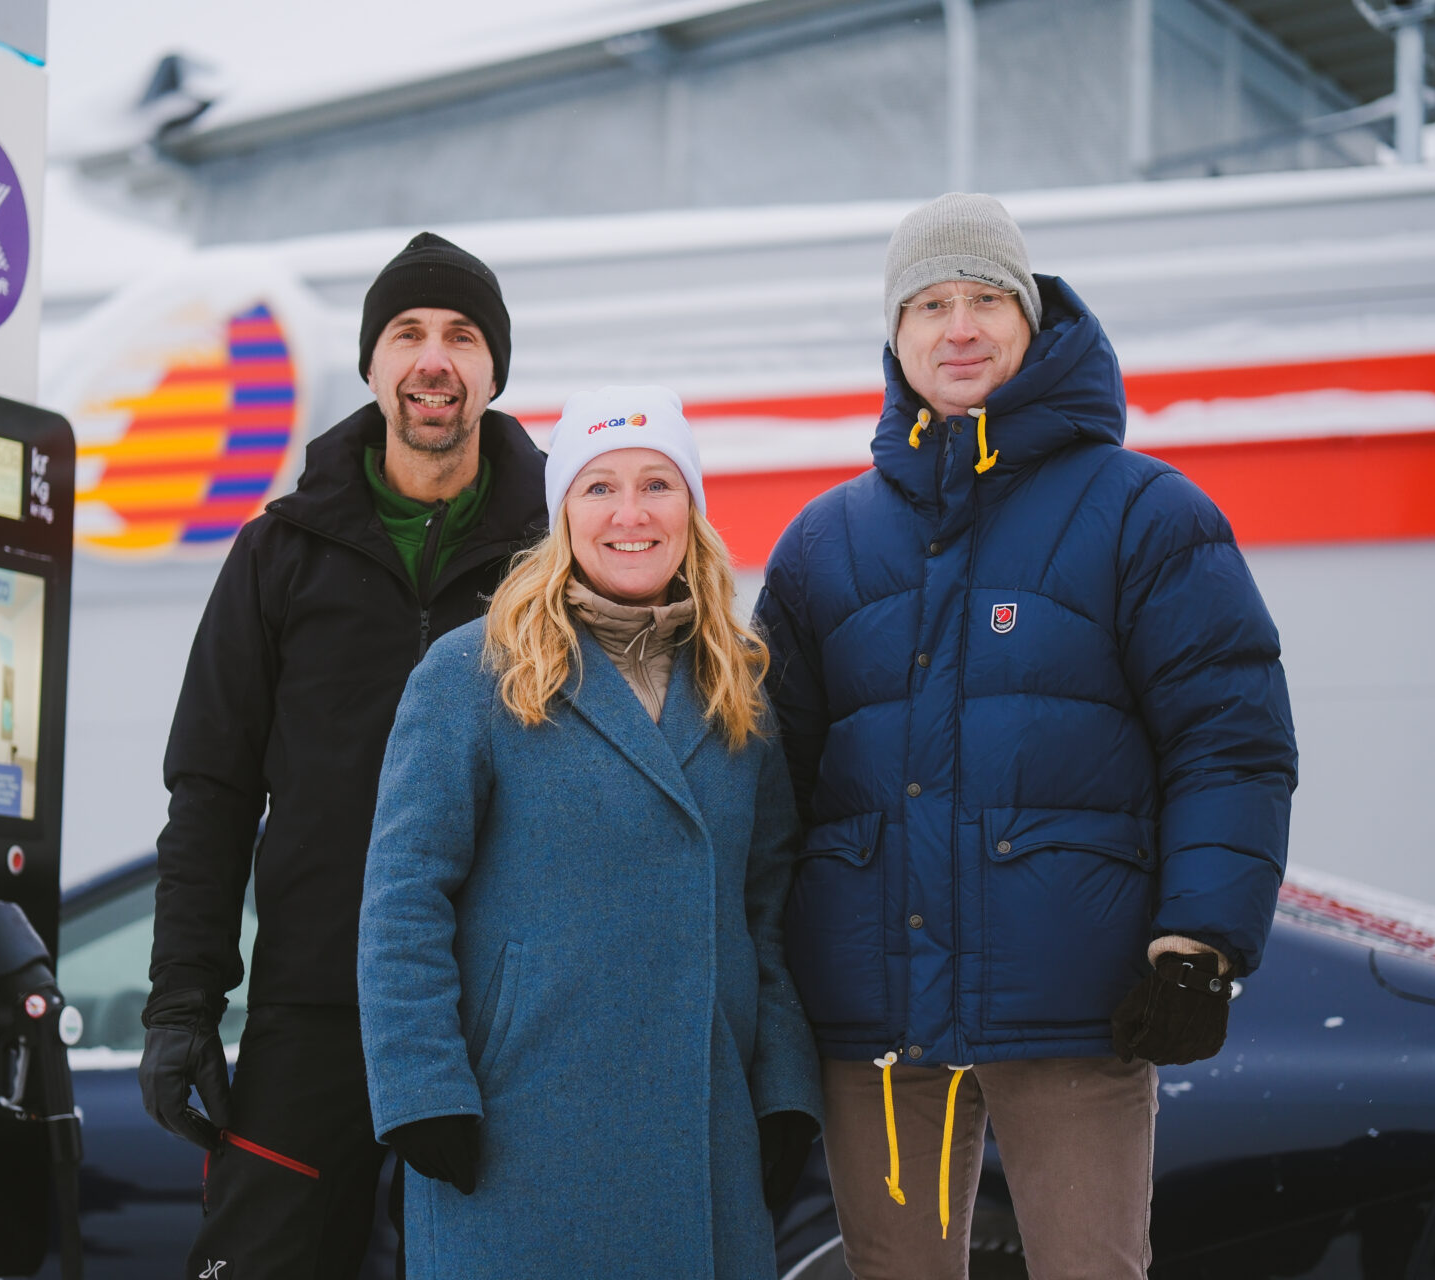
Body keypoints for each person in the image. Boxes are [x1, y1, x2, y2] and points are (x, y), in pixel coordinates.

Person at [755, 193, 1298, 1279]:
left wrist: (1198, 942)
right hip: (878, 1020)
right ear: (896, 335)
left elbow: (1228, 737)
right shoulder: (824, 545)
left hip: (1078, 1004)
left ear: (1033, 318)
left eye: (988, 298)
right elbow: (770, 781)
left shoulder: (1146, 513)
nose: (960, 326)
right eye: (931, 303)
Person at [138, 232, 547, 1280]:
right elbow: (213, 791)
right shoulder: (280, 550)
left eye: (461, 336)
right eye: (407, 333)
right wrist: (185, 1001)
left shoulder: (553, 552)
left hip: (503, 1015)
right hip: (316, 1009)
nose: (433, 359)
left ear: (495, 368)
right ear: (372, 363)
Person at [356, 387, 824, 1279]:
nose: (631, 514)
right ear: (561, 514)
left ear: (691, 509)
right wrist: (421, 1092)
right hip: (516, 1132)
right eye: (598, 488)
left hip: (704, 1132)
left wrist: (786, 1094)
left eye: (658, 484)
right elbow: (404, 898)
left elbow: (769, 912)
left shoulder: (739, 687)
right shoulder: (472, 671)